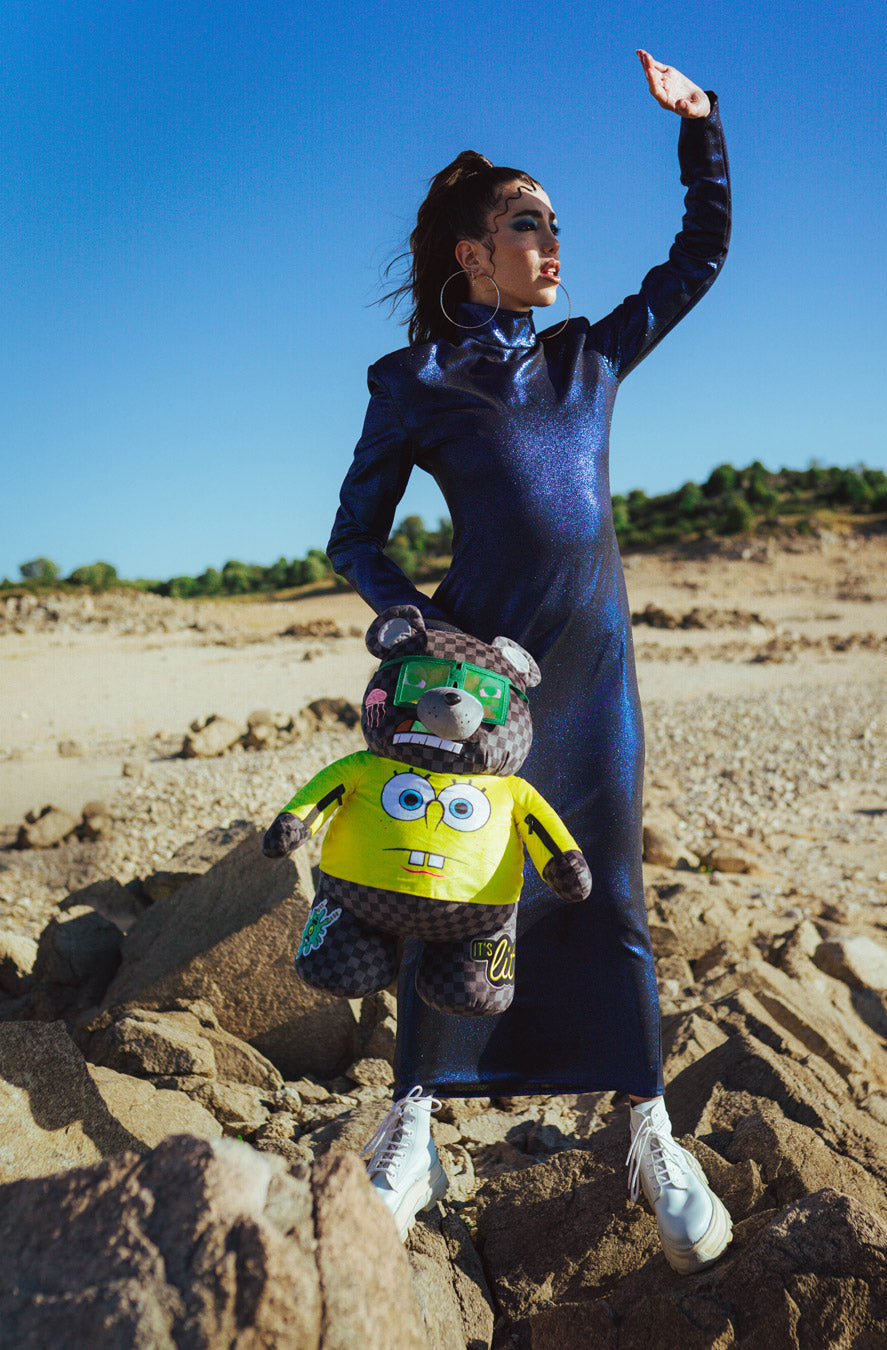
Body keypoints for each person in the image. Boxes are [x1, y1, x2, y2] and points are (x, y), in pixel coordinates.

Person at [325, 49, 733, 1274]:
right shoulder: (414, 383)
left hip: (594, 677)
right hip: (479, 683)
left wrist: (701, 129)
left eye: (556, 225)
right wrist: (410, 622)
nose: (554, 243)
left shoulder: (588, 359)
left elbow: (698, 257)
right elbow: (353, 537)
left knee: (609, 888)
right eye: (529, 224)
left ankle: (647, 1125)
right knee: (448, 887)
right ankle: (416, 1124)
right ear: (473, 253)